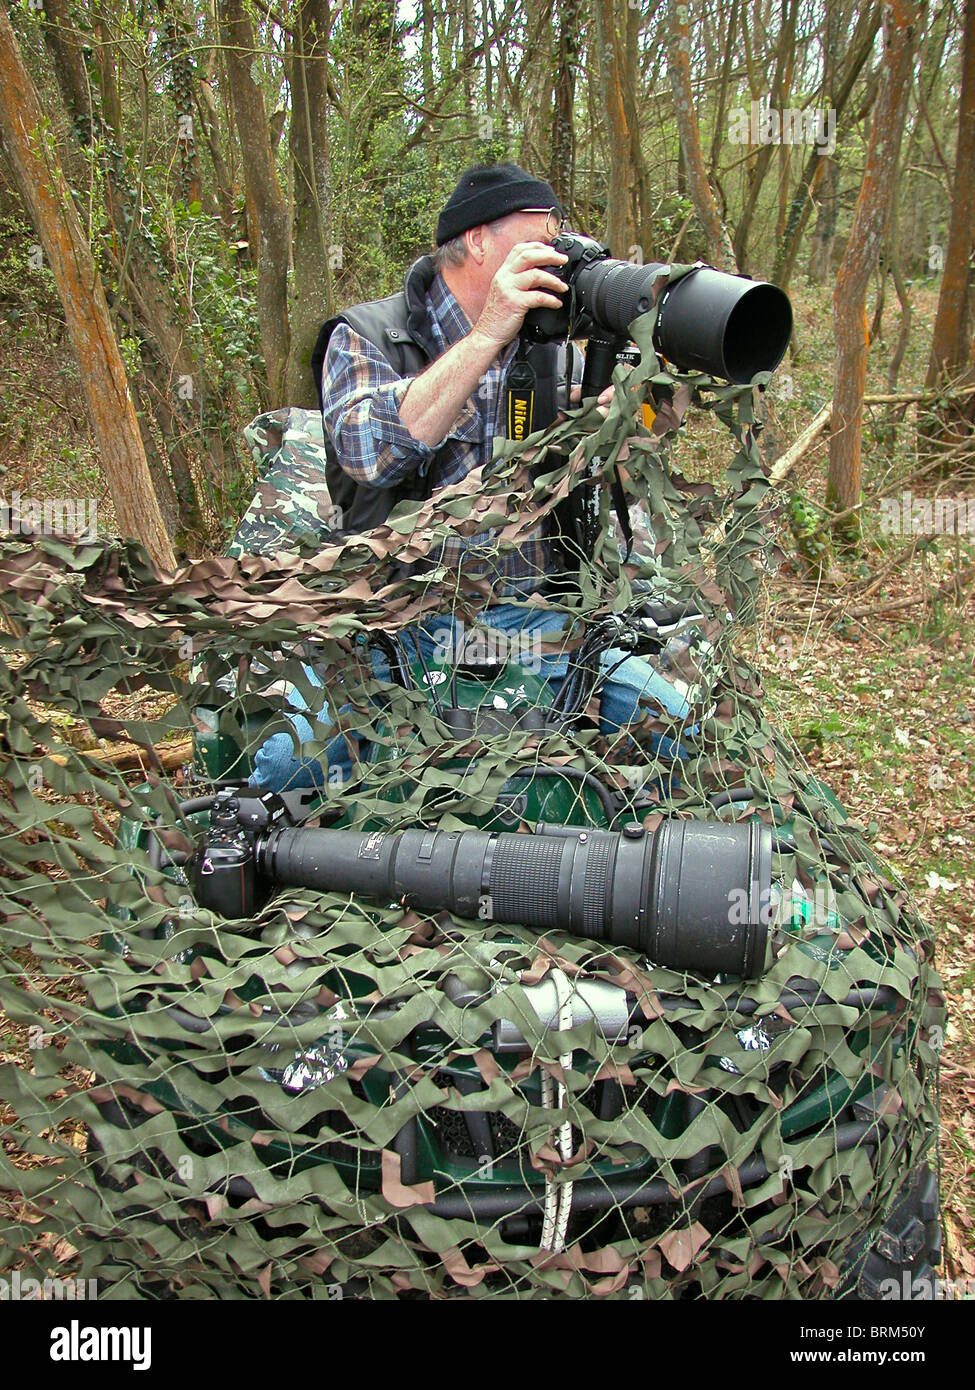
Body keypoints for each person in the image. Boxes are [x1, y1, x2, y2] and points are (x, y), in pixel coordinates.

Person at [250, 163, 693, 793]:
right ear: (478, 241)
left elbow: (651, 426)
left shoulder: (558, 342)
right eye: (539, 239)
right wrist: (489, 332)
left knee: (682, 727)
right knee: (281, 767)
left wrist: (628, 408)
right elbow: (367, 453)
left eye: (559, 238)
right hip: (394, 625)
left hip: (539, 622)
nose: (556, 255)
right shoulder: (370, 335)